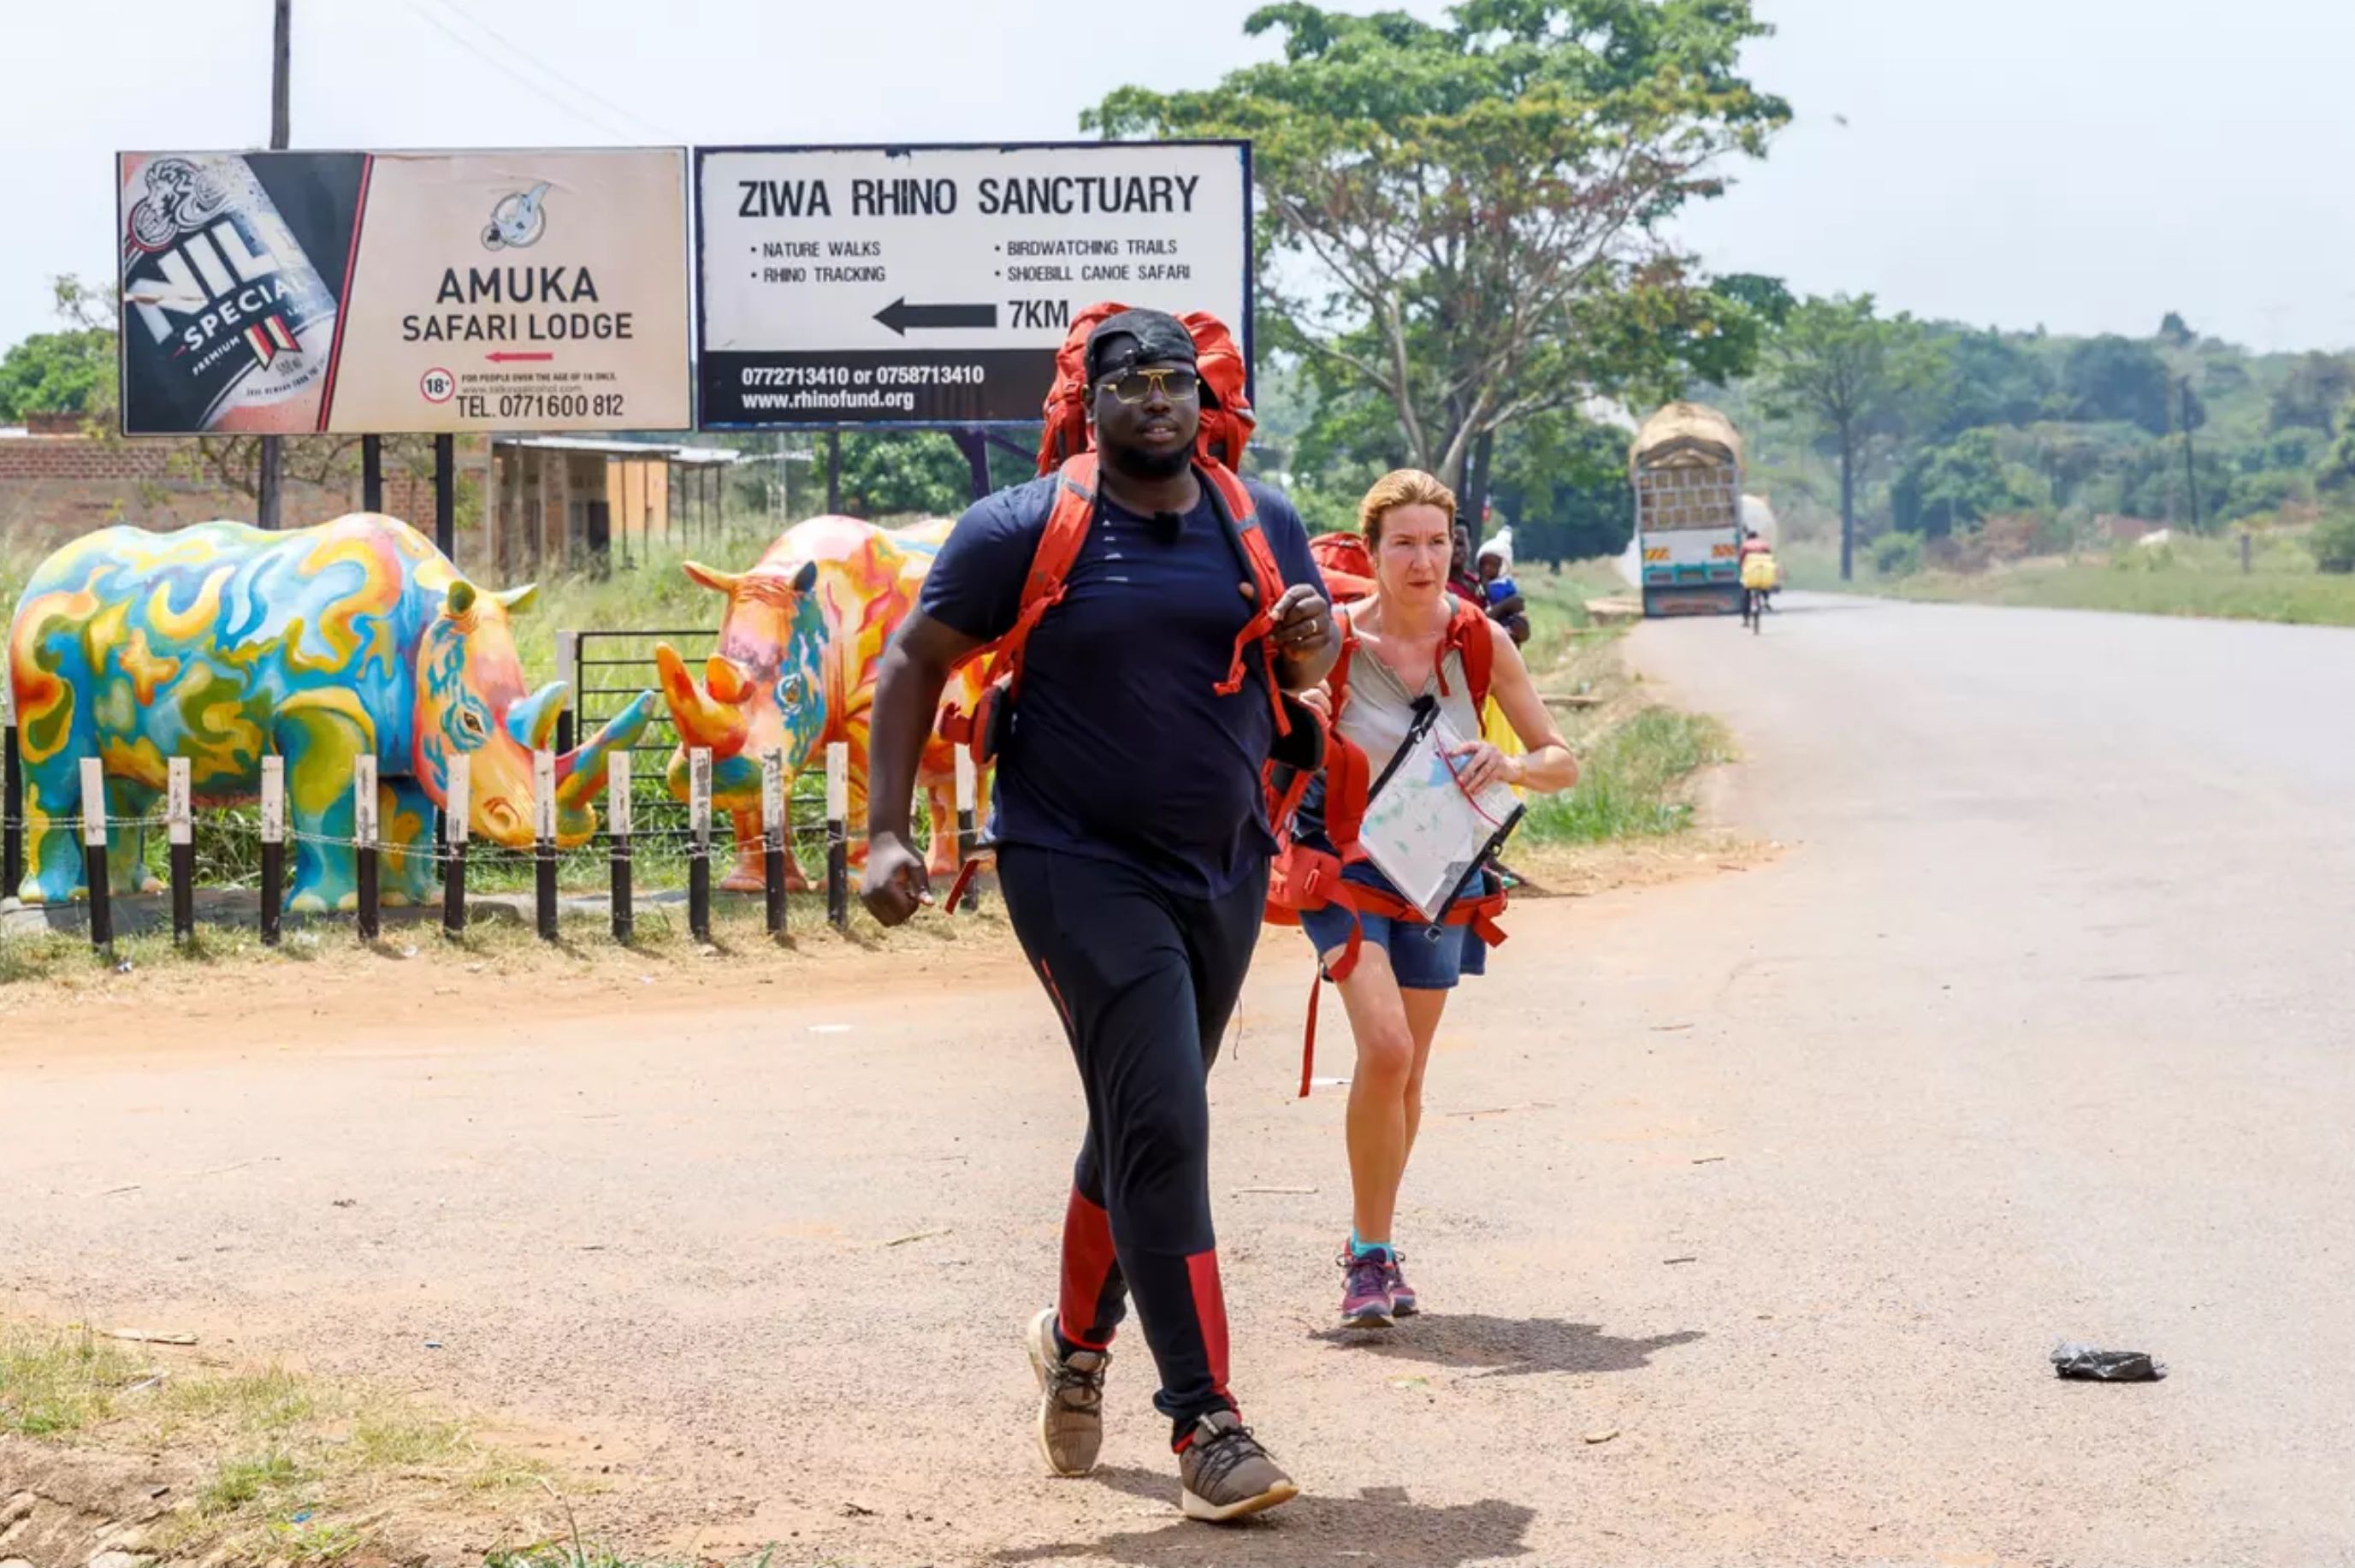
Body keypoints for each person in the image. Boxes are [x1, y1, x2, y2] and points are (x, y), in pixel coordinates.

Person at [859, 309, 1337, 1523]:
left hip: (1221, 864)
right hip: (1072, 861)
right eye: (1132, 384)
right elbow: (913, 658)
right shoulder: (1023, 527)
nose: (1159, 401)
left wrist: (1307, 643)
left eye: (1178, 381)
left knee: (1139, 1113)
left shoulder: (1257, 516)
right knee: (1165, 1118)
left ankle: (1073, 1346)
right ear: (1089, 399)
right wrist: (885, 831)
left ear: (1204, 397)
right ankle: (1207, 1422)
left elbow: (1296, 669)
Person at [1292, 470, 1578, 1327]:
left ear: (1455, 547)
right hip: (1342, 863)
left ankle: (1370, 1242)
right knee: (1383, 1050)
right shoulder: (1331, 640)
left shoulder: (1479, 640)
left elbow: (1558, 757)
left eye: (1436, 542)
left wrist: (1513, 763)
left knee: (1406, 1069)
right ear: (1370, 552)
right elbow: (1267, 741)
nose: (1422, 560)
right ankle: (1368, 1260)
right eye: (1403, 544)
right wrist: (1298, 718)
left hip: (1440, 874)